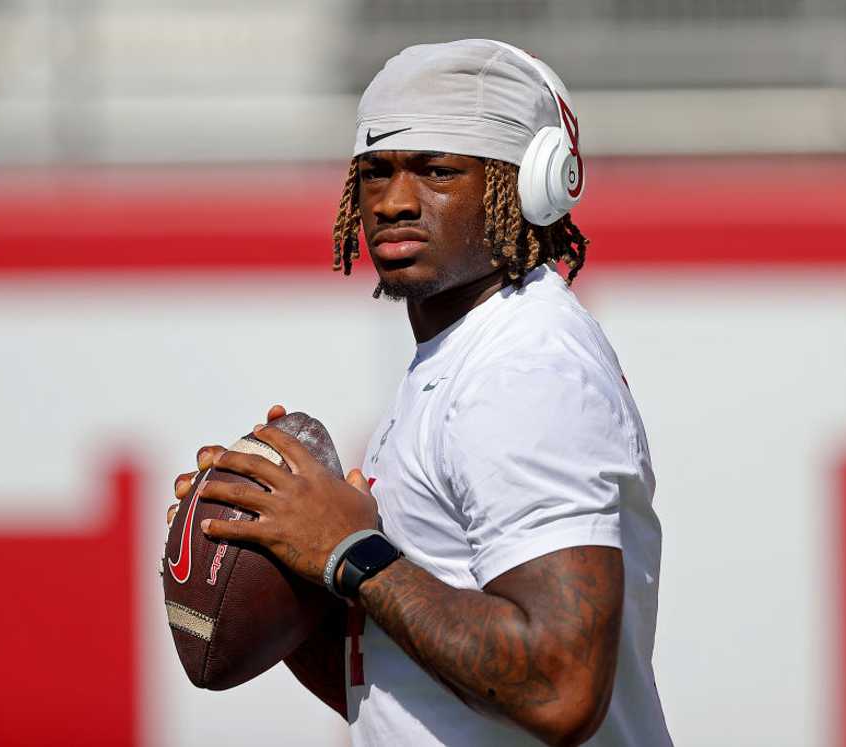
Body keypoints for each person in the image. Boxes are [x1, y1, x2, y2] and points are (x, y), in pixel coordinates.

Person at [169, 39, 672, 746]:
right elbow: (401, 692)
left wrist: (352, 550)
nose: (396, 200)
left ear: (529, 184)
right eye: (375, 172)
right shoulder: (461, 353)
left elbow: (561, 686)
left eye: (437, 169)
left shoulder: (523, 368)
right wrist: (287, 558)